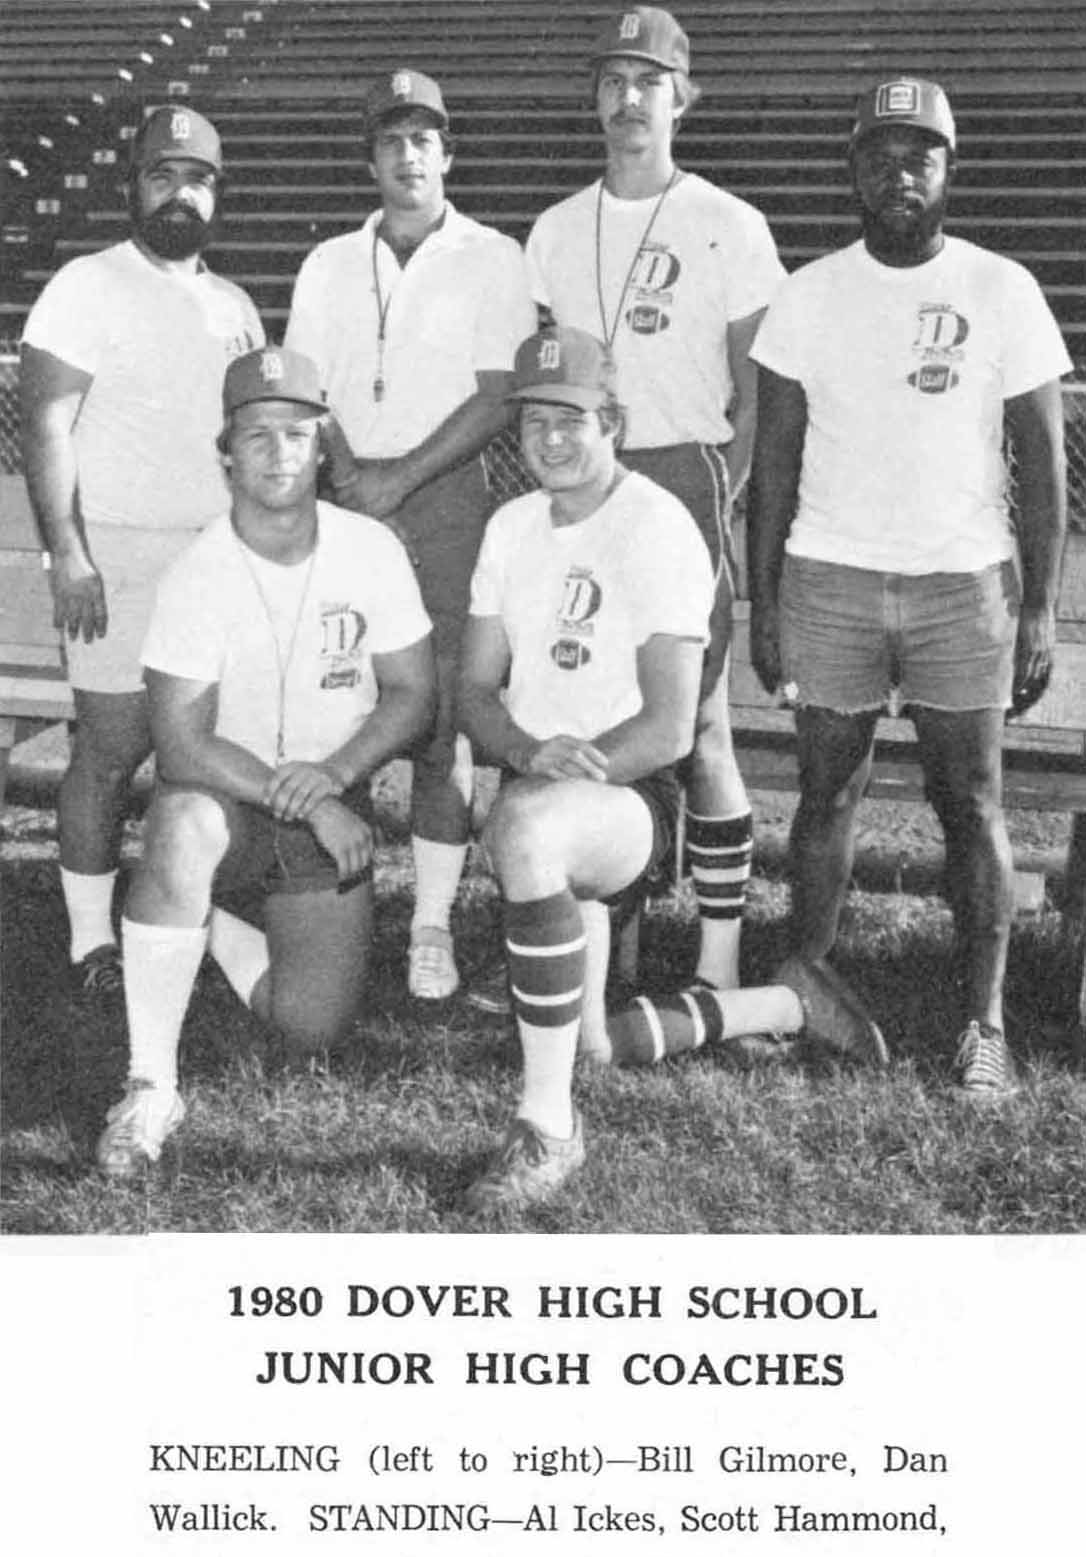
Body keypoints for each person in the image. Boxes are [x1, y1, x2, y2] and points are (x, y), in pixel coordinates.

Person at [456, 327, 884, 1218]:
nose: (550, 438)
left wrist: (563, 776)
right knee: (588, 1045)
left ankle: (548, 1129)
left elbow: (668, 726)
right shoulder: (509, 526)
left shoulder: (656, 525)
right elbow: (473, 690)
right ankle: (780, 1005)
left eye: (571, 418)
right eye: (534, 421)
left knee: (526, 826)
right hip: (545, 787)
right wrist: (528, 753)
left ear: (611, 421)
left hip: (628, 800)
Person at [747, 77, 1070, 1098]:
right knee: (826, 792)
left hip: (962, 585)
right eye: (881, 155)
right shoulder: (808, 294)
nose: (900, 173)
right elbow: (775, 467)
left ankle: (985, 1022)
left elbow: (1044, 465)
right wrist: (766, 600)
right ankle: (808, 988)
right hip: (830, 576)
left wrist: (1039, 605)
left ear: (950, 169)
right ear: (853, 171)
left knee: (970, 800)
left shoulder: (1001, 287)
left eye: (920, 155)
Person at [95, 347, 435, 1178]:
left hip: (329, 801)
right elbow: (180, 742)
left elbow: (413, 695)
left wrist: (336, 775)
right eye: (255, 435)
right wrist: (313, 799)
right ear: (226, 454)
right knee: (181, 823)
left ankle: (203, 923)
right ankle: (150, 1085)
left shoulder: (371, 549)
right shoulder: (197, 571)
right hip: (230, 805)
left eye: (296, 432)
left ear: (322, 446)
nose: (278, 451)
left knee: (309, 1028)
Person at [524, 6, 785, 997]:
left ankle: (718, 965)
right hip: (585, 477)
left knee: (700, 724)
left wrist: (727, 495)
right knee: (595, 707)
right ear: (594, 100)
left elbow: (758, 387)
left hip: (683, 473)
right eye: (613, 81)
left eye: (649, 82)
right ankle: (607, 951)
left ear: (684, 99)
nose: (630, 98)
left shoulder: (729, 222)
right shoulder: (554, 229)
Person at [284, 67, 535, 1002]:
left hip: (444, 498)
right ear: (371, 160)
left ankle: (430, 923)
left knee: (438, 725)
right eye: (391, 140)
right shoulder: (327, 261)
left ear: (448, 154)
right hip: (345, 500)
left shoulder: (494, 256)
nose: (408, 155)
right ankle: (324, 899)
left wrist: (398, 479)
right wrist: (353, 477)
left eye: (423, 139)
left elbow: (499, 395)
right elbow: (306, 388)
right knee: (334, 702)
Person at [19, 105, 263, 994]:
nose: (180, 195)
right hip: (116, 555)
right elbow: (46, 425)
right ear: (134, 186)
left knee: (211, 755)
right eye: (163, 176)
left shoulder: (235, 305)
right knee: (111, 750)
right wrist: (69, 553)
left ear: (217, 194)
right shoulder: (86, 283)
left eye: (197, 180)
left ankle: (209, 925)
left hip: (214, 560)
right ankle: (91, 941)